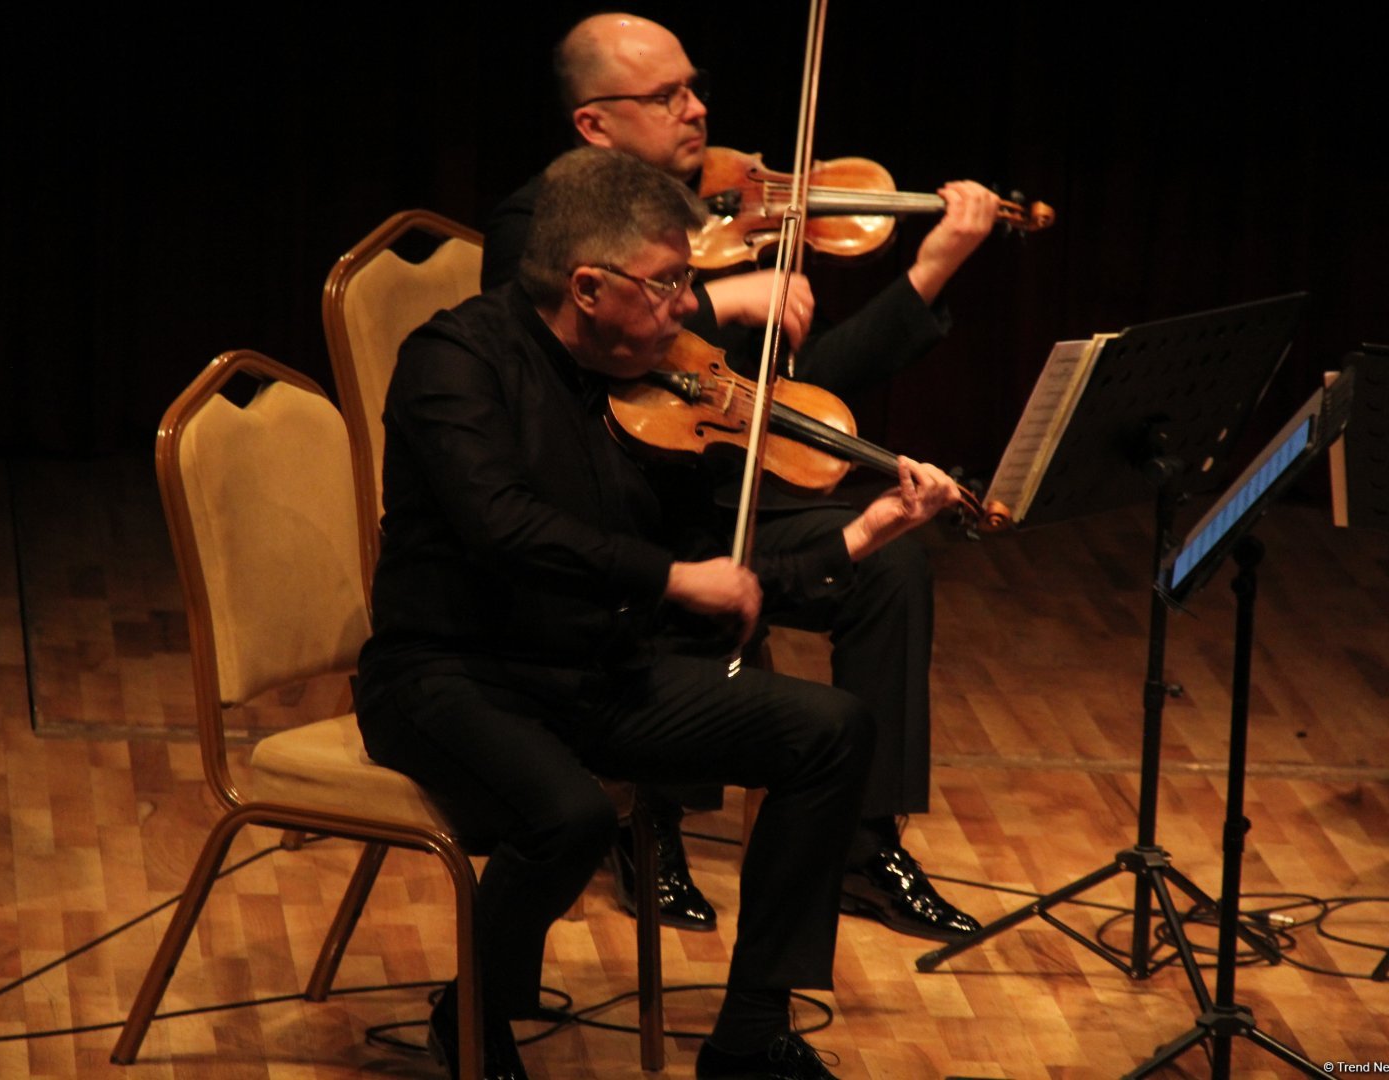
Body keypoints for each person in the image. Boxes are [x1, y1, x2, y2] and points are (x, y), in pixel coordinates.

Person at [356, 146, 963, 1079]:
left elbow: (715, 571)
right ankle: (474, 1015)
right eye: (670, 283)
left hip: (596, 673)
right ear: (589, 286)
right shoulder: (454, 362)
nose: (690, 307)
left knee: (831, 730)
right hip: (454, 677)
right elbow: (503, 527)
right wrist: (673, 583)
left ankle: (752, 1033)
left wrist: (865, 533)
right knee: (570, 816)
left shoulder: (647, 388)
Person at [481, 11, 999, 940]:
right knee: (681, 566)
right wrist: (721, 297)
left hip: (721, 495)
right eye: (666, 95)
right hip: (620, 517)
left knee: (893, 565)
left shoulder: (724, 214)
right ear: (595, 124)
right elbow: (530, 359)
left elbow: (799, 401)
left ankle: (862, 845)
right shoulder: (540, 220)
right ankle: (650, 826)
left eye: (694, 85)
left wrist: (928, 271)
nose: (697, 109)